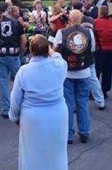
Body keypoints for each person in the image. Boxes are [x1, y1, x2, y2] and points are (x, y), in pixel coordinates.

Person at [9, 35, 68, 170]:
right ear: (48, 49)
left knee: (32, 154)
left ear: (31, 51)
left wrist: (14, 117)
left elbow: (15, 98)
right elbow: (57, 55)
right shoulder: (60, 66)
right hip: (57, 113)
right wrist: (49, 49)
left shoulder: (24, 71)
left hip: (33, 116)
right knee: (56, 151)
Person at [54, 10, 95, 144]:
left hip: (67, 72)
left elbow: (55, 50)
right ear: (81, 19)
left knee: (68, 104)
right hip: (84, 71)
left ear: (69, 19)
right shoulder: (89, 32)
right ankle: (84, 132)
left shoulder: (62, 33)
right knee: (82, 103)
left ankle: (68, 135)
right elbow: (92, 49)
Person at [0, 4, 27, 119]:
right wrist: (21, 50)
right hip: (14, 55)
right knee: (19, 82)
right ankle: (21, 107)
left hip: (0, 55)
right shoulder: (16, 23)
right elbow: (23, 39)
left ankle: (6, 109)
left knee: (3, 82)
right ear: (9, 11)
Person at [93, 6, 112, 99]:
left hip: (99, 49)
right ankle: (105, 90)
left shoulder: (95, 22)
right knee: (107, 71)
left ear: (100, 12)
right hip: (110, 49)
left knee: (96, 71)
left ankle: (94, 91)